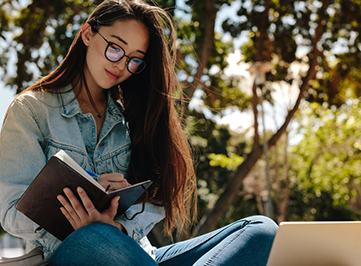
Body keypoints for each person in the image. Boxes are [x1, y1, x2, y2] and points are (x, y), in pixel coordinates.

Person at [0, 0, 278, 265]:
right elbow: (11, 211)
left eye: (135, 59)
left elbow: (154, 200)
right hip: (69, 253)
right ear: (87, 33)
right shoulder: (32, 110)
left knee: (262, 231)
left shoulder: (133, 116)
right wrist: (83, 208)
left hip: (136, 254)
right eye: (115, 48)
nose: (121, 65)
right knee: (95, 236)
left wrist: (118, 226)